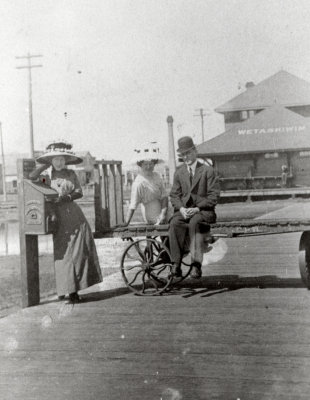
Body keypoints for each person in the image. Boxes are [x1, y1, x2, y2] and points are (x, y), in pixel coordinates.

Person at [29, 141, 102, 303]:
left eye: (62, 159)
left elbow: (79, 192)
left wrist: (67, 197)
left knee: (79, 251)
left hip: (75, 215)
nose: (59, 162)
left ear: (66, 161)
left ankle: (75, 290)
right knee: (63, 253)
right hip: (57, 215)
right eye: (55, 159)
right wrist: (44, 164)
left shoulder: (71, 174)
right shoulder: (46, 177)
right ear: (51, 161)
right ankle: (65, 289)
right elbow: (32, 178)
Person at [169, 136, 220, 279]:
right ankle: (176, 265)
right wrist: (181, 209)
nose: (186, 157)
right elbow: (174, 195)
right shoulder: (179, 172)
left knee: (195, 222)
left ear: (195, 151)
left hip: (204, 212)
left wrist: (197, 208)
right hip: (185, 211)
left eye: (189, 153)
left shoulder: (207, 171)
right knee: (174, 222)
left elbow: (214, 196)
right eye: (183, 155)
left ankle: (196, 265)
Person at [123, 145, 168, 225]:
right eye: (145, 164)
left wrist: (163, 213)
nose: (148, 167)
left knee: (178, 221)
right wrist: (126, 223)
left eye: (151, 164)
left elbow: (164, 196)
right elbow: (133, 205)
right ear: (140, 165)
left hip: (164, 209)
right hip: (151, 212)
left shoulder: (157, 176)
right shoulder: (138, 182)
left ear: (154, 164)